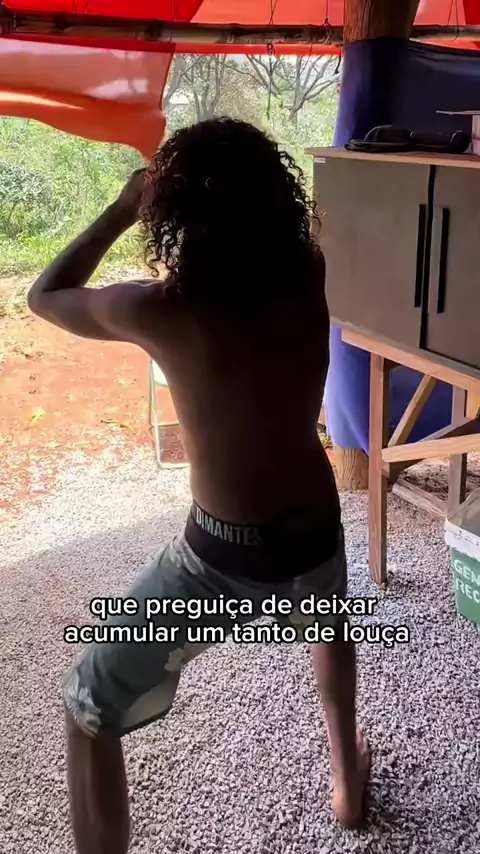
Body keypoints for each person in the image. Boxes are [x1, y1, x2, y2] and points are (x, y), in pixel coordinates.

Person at [28, 117, 370, 854]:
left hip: (222, 554)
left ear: (175, 210)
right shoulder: (306, 268)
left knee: (87, 699)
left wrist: (123, 208)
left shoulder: (160, 310)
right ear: (275, 196)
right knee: (329, 627)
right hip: (316, 525)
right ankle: (347, 782)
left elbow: (45, 295)